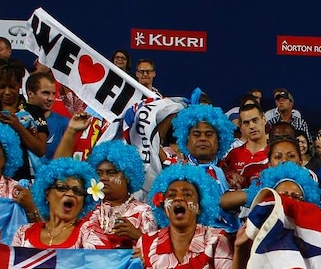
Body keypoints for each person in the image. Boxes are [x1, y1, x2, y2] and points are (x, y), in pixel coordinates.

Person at [171, 103, 239, 232]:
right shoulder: (174, 176)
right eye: (196, 134)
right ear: (186, 139)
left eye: (209, 134)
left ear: (219, 140)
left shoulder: (233, 174)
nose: (202, 139)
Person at [79, 141, 158, 249]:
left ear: (128, 176)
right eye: (99, 173)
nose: (103, 178)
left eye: (111, 173)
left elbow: (154, 255)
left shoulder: (145, 212)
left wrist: (137, 235)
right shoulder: (86, 209)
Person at [12, 158, 96, 248]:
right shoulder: (23, 232)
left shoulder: (89, 232)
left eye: (78, 190)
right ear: (47, 194)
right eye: (61, 187)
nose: (70, 193)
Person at [221, 102, 268, 188]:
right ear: (241, 126)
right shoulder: (234, 154)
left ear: (264, 120)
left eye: (255, 120)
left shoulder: (276, 153)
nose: (252, 126)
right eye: (246, 123)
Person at [26, 71, 68, 161]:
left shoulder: (64, 123)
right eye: (46, 93)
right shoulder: (18, 120)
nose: (51, 98)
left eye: (53, 93)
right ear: (30, 93)